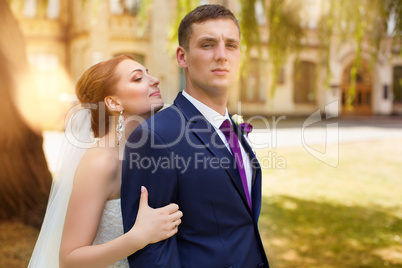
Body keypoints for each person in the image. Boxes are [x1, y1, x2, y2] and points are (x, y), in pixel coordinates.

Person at [121, 4, 269, 268]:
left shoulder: (232, 128)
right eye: (208, 44)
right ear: (182, 57)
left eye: (231, 45)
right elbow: (150, 253)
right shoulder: (156, 136)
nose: (222, 55)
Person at [28, 55, 183, 268]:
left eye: (148, 73)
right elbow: (69, 259)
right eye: (138, 78)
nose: (154, 79)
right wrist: (138, 237)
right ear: (113, 102)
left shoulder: (155, 152)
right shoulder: (100, 162)